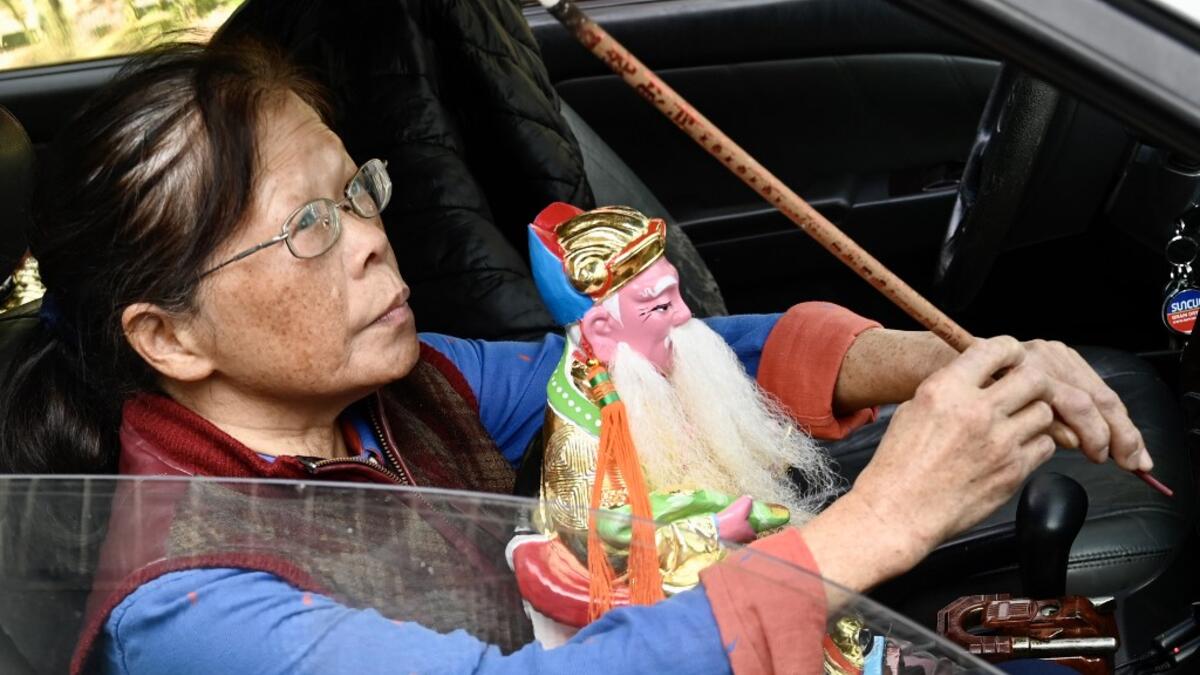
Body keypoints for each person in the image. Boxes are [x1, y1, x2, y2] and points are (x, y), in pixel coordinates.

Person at [0, 40, 1151, 675]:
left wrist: (921, 365)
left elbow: (643, 357)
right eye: (306, 227)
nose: (367, 239)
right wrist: (878, 526)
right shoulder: (193, 606)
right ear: (170, 337)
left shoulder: (401, 388)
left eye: (357, 190)